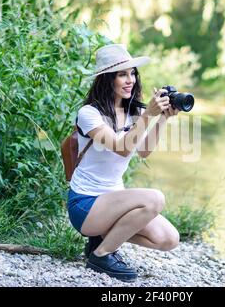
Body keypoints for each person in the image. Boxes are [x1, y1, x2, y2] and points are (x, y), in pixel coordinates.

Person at [67, 44, 180, 282]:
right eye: (122, 74)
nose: (130, 80)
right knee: (155, 198)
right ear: (107, 79)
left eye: (132, 73)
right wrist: (148, 114)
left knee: (169, 239)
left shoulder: (133, 113)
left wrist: (161, 119)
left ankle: (102, 240)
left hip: (113, 202)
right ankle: (102, 254)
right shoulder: (89, 114)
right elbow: (122, 148)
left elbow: (145, 152)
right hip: (86, 204)